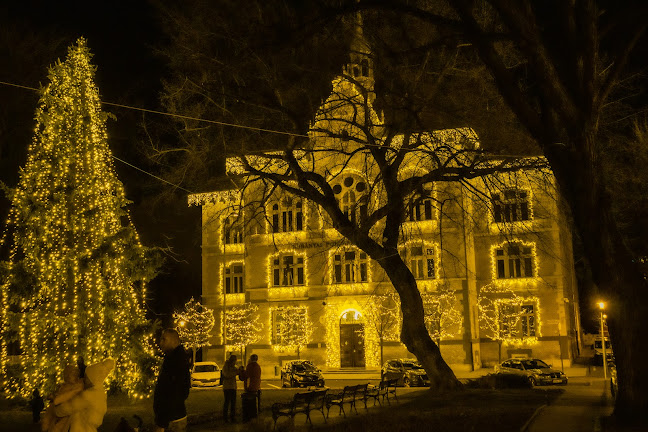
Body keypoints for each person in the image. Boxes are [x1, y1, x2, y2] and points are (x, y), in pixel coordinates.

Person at [53, 358, 115, 432]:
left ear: (92, 379)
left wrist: (56, 408)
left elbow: (68, 408)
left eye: (86, 377)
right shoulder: (101, 394)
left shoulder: (88, 396)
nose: (83, 379)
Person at [153, 329, 191, 432]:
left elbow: (174, 392)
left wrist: (162, 422)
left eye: (164, 339)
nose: (160, 343)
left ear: (174, 341)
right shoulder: (172, 358)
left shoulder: (176, 361)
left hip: (173, 420)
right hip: (171, 418)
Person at [41, 364, 84, 432]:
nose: (75, 377)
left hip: (67, 413)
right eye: (72, 374)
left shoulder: (77, 387)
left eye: (76, 374)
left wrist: (56, 399)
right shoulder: (64, 386)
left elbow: (60, 399)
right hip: (59, 411)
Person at [221, 354, 242, 423]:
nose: (235, 362)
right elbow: (227, 375)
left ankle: (232, 417)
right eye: (234, 361)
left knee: (233, 403)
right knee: (227, 402)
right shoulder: (225, 367)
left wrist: (240, 371)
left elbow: (237, 372)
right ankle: (225, 418)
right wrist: (235, 372)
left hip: (233, 387)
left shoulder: (233, 367)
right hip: (227, 387)